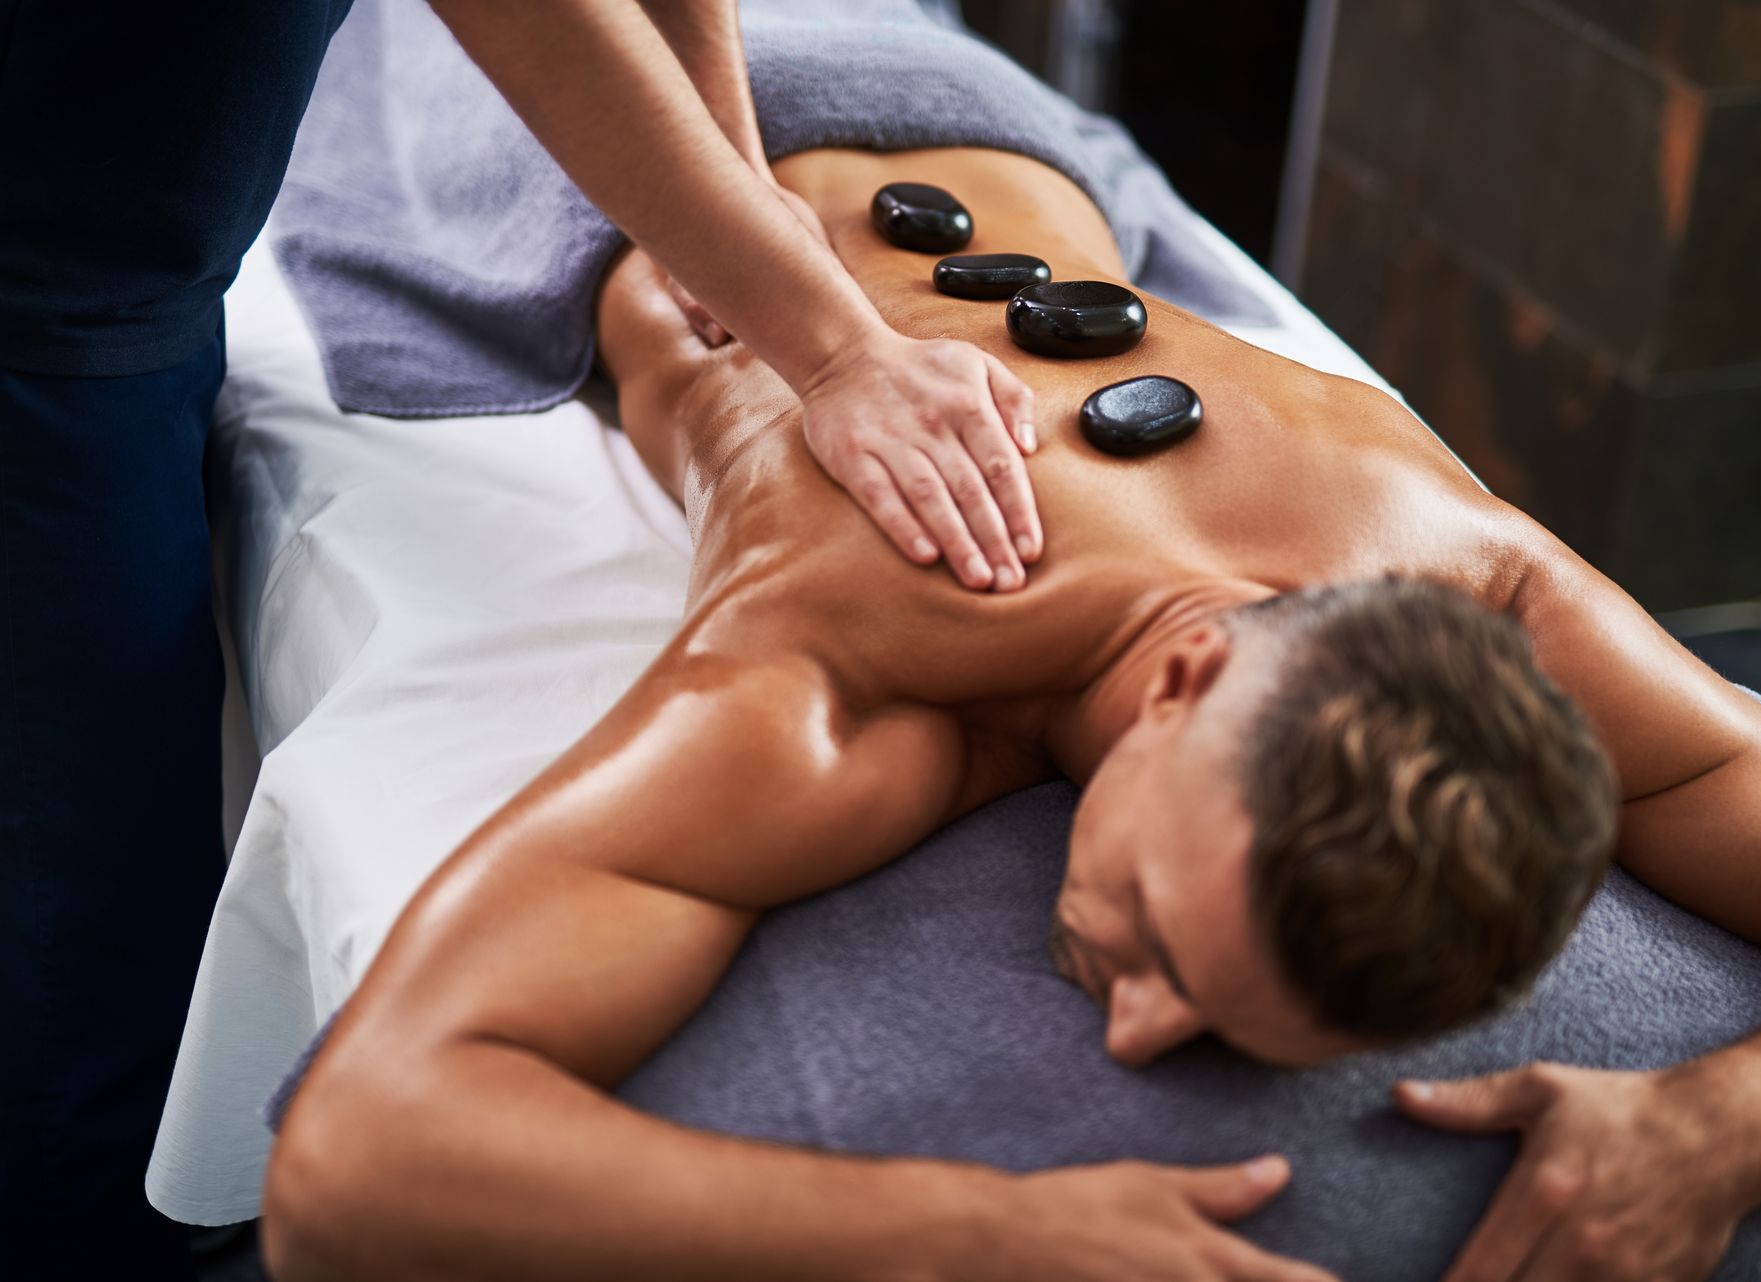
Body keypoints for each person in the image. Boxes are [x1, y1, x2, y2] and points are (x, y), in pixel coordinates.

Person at [262, 143, 1761, 1282]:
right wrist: (959, 1231)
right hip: (656, 135)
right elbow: (352, 1165)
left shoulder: (1488, 588)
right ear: (1194, 676)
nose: (1129, 1034)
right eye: (1154, 941)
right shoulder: (836, 679)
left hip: (1031, 159)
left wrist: (1735, 1125)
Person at [0, 1, 1037, 1273]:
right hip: (63, 284)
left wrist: (738, 197)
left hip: (130, 246)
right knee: (85, 922)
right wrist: (826, 343)